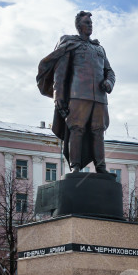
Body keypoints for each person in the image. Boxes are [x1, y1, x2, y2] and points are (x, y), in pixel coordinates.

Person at [36, 11, 116, 174]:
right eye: (87, 23)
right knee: (76, 129)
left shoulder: (99, 48)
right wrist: (58, 96)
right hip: (78, 94)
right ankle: (76, 167)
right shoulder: (70, 43)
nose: (90, 25)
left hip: (100, 98)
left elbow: (110, 71)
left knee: (98, 131)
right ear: (79, 26)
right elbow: (60, 72)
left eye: (91, 23)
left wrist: (109, 82)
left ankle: (101, 167)